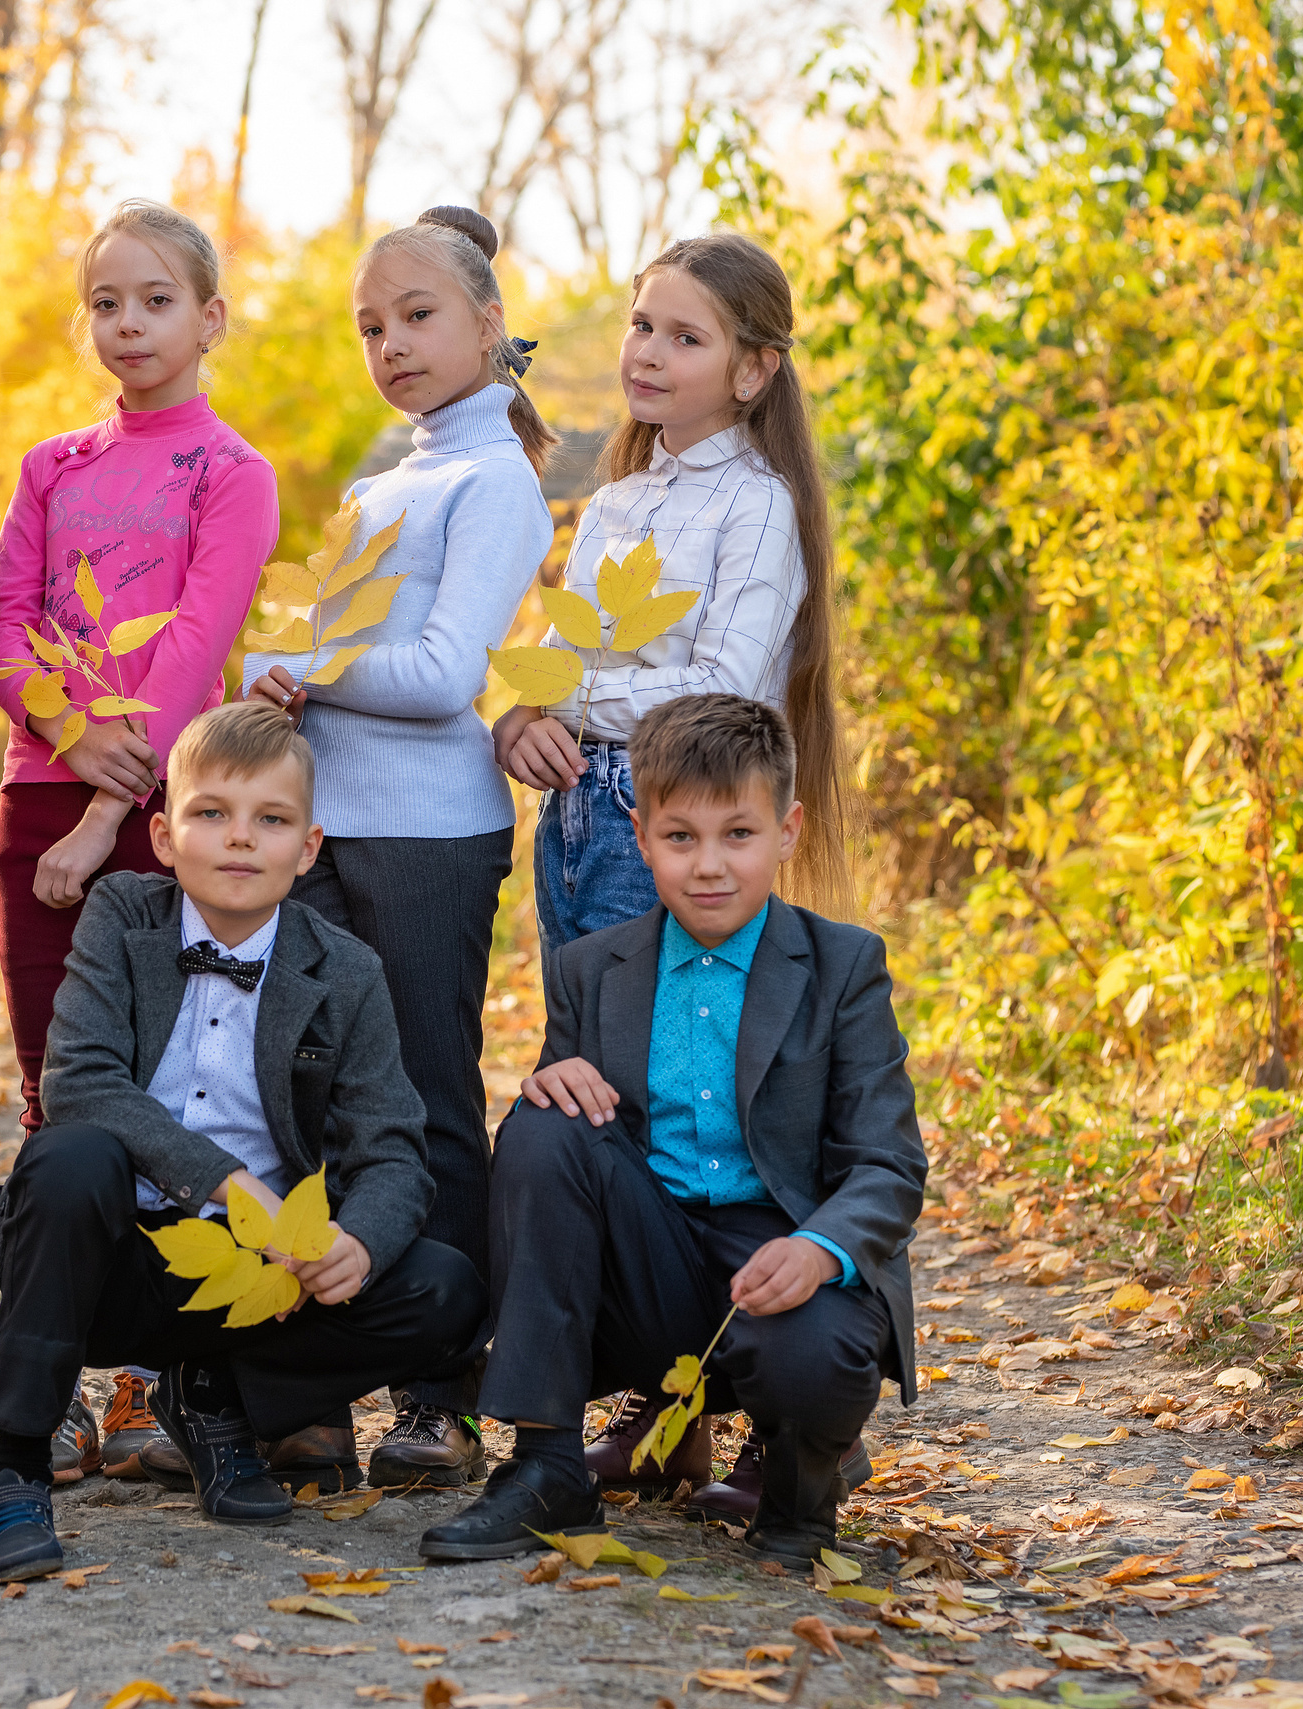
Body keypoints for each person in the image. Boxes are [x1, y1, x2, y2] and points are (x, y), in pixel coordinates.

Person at [0, 702, 484, 1582]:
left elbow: (393, 1147)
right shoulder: (122, 914)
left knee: (447, 1287)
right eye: (212, 813)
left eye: (270, 820)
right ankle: (14, 1473)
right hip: (112, 1259)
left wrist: (359, 1241)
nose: (240, 838)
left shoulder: (345, 969)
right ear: (164, 837)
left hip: (260, 1280)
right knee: (69, 1154)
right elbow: (78, 1081)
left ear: (307, 848)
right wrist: (229, 1183)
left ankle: (213, 1396)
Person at [489, 230, 850, 1508]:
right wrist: (523, 719)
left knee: (699, 1092)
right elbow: (562, 661)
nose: (646, 352)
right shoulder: (616, 502)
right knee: (601, 1092)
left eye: (684, 337)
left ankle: (773, 1405)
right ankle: (661, 1403)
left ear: (752, 370)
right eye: (642, 325)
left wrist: (576, 702)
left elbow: (726, 684)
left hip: (675, 819)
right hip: (581, 819)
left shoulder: (757, 505)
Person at [418, 695, 923, 1567]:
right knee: (544, 1124)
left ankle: (798, 1504)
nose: (709, 864)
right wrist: (546, 1087)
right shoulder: (592, 968)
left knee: (811, 1349)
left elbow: (889, 1164)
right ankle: (546, 1467)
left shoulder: (842, 964)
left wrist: (819, 1251)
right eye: (680, 836)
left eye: (739, 834)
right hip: (650, 1264)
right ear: (642, 836)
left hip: (784, 1259)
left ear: (787, 832)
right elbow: (563, 1167)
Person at [242, 204, 555, 1491]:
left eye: (417, 317)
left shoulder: (500, 481)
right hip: (323, 828)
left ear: (488, 324)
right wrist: (279, 680)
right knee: (309, 1102)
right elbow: (327, 657)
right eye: (371, 327)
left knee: (425, 1103)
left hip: (430, 838)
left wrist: (307, 664)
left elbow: (437, 678)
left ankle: (442, 1395)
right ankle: (314, 1392)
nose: (392, 345)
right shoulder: (377, 487)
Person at [0, 200, 279, 1482]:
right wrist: (68, 743)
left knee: (164, 1087)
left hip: (161, 816)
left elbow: (198, 647)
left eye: (156, 300)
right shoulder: (51, 465)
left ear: (209, 317)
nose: (128, 324)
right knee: (54, 1087)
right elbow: (3, 630)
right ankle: (47, 1375)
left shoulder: (231, 472)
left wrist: (118, 806)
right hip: (40, 801)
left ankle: (151, 1375)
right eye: (106, 302)